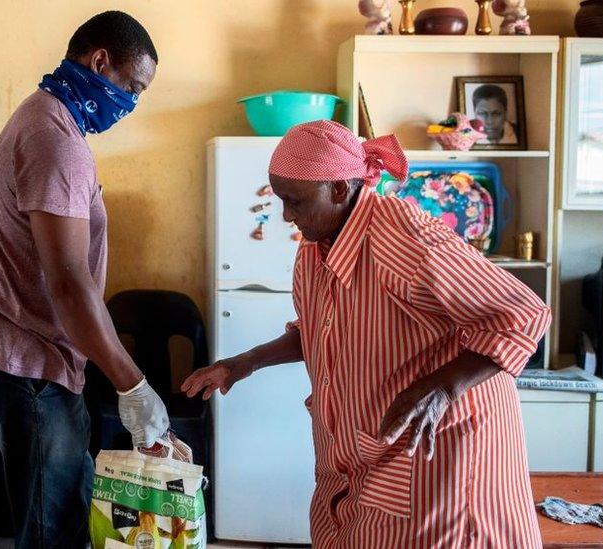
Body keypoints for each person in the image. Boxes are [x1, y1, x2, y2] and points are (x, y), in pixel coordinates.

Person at [182, 120, 551, 548]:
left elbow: (522, 313)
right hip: (361, 456)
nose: (286, 215)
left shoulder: (405, 239)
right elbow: (320, 331)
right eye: (281, 199)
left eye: (295, 201)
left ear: (339, 189)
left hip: (438, 456)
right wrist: (243, 364)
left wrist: (442, 388)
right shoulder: (314, 248)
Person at [0, 11, 169, 548]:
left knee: (60, 507)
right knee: (55, 530)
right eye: (132, 88)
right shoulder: (57, 140)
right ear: (100, 61)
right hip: (28, 360)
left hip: (21, 349)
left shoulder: (42, 116)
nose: (131, 105)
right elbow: (69, 286)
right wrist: (133, 385)